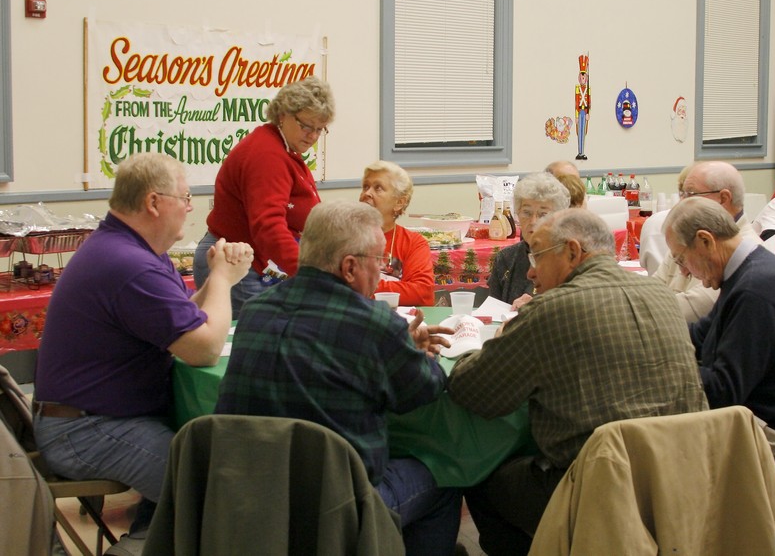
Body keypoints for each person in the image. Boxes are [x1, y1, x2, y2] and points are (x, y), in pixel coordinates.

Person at [449, 208, 707, 556]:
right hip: (681, 478)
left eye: (536, 255)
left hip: (597, 489)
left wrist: (479, 344)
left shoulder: (552, 309)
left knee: (478, 474)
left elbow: (472, 390)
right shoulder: (661, 295)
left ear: (572, 252)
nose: (529, 271)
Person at [215, 201, 461, 556]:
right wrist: (424, 356)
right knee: (444, 478)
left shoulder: (255, 310)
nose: (383, 272)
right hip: (337, 507)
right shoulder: (375, 323)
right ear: (349, 267)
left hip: (248, 499)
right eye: (380, 261)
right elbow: (422, 391)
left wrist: (396, 346)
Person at [32, 153, 253, 548]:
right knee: (215, 491)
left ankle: (149, 538)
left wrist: (217, 280)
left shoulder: (134, 251)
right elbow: (203, 350)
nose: (189, 208)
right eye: (185, 197)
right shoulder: (129, 265)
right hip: (86, 430)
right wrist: (222, 279)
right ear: (154, 203)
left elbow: (187, 317)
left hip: (93, 417)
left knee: (197, 471)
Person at [665, 197, 775, 452]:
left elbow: (723, 392)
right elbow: (700, 334)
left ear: (705, 241)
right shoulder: (748, 269)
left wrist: (661, 368)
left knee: (648, 443)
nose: (684, 272)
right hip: (766, 411)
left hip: (773, 430)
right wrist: (649, 342)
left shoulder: (756, 289)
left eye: (681, 259)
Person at [193, 76, 335, 316]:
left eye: (319, 129)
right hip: (238, 265)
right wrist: (308, 273)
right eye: (306, 125)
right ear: (283, 115)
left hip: (255, 263)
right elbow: (268, 226)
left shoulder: (284, 149)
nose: (312, 135)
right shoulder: (268, 155)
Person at [652, 161, 762, 322]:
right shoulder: (689, 236)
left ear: (723, 198)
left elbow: (693, 310)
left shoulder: (743, 252)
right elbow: (653, 287)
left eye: (690, 194)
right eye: (682, 194)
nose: (682, 202)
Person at [487, 172, 570, 307]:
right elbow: (491, 312)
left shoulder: (568, 258)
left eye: (543, 214)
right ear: (517, 214)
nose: (533, 221)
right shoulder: (506, 258)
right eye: (526, 212)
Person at [360, 160, 435, 306]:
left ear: (399, 203)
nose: (367, 193)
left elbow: (422, 293)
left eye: (378, 188)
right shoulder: (342, 236)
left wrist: (362, 287)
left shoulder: (413, 243)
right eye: (365, 187)